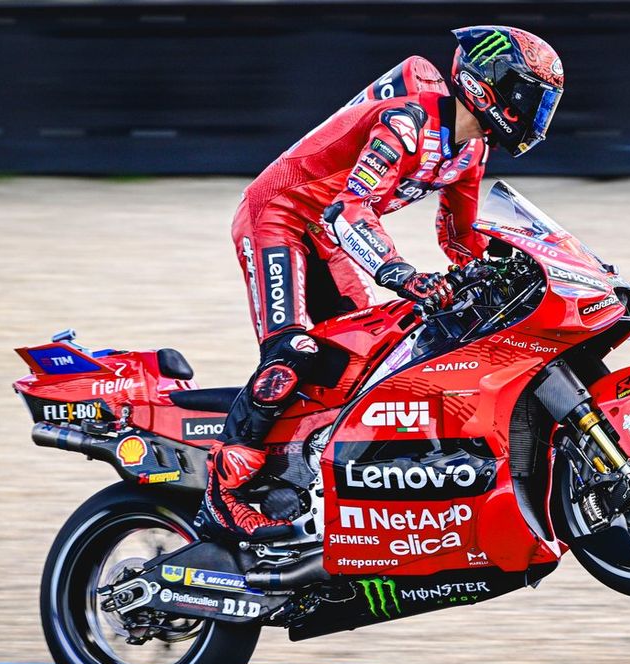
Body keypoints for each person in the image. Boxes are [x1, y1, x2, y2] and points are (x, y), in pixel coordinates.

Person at [195, 25, 565, 540]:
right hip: (277, 216)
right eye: (534, 99)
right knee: (293, 351)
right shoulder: (408, 121)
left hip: (326, 233)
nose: (538, 116)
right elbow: (351, 209)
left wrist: (517, 268)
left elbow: (461, 237)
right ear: (494, 87)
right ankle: (224, 490)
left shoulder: (471, 152)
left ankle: (301, 475)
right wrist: (401, 274)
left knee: (364, 357)